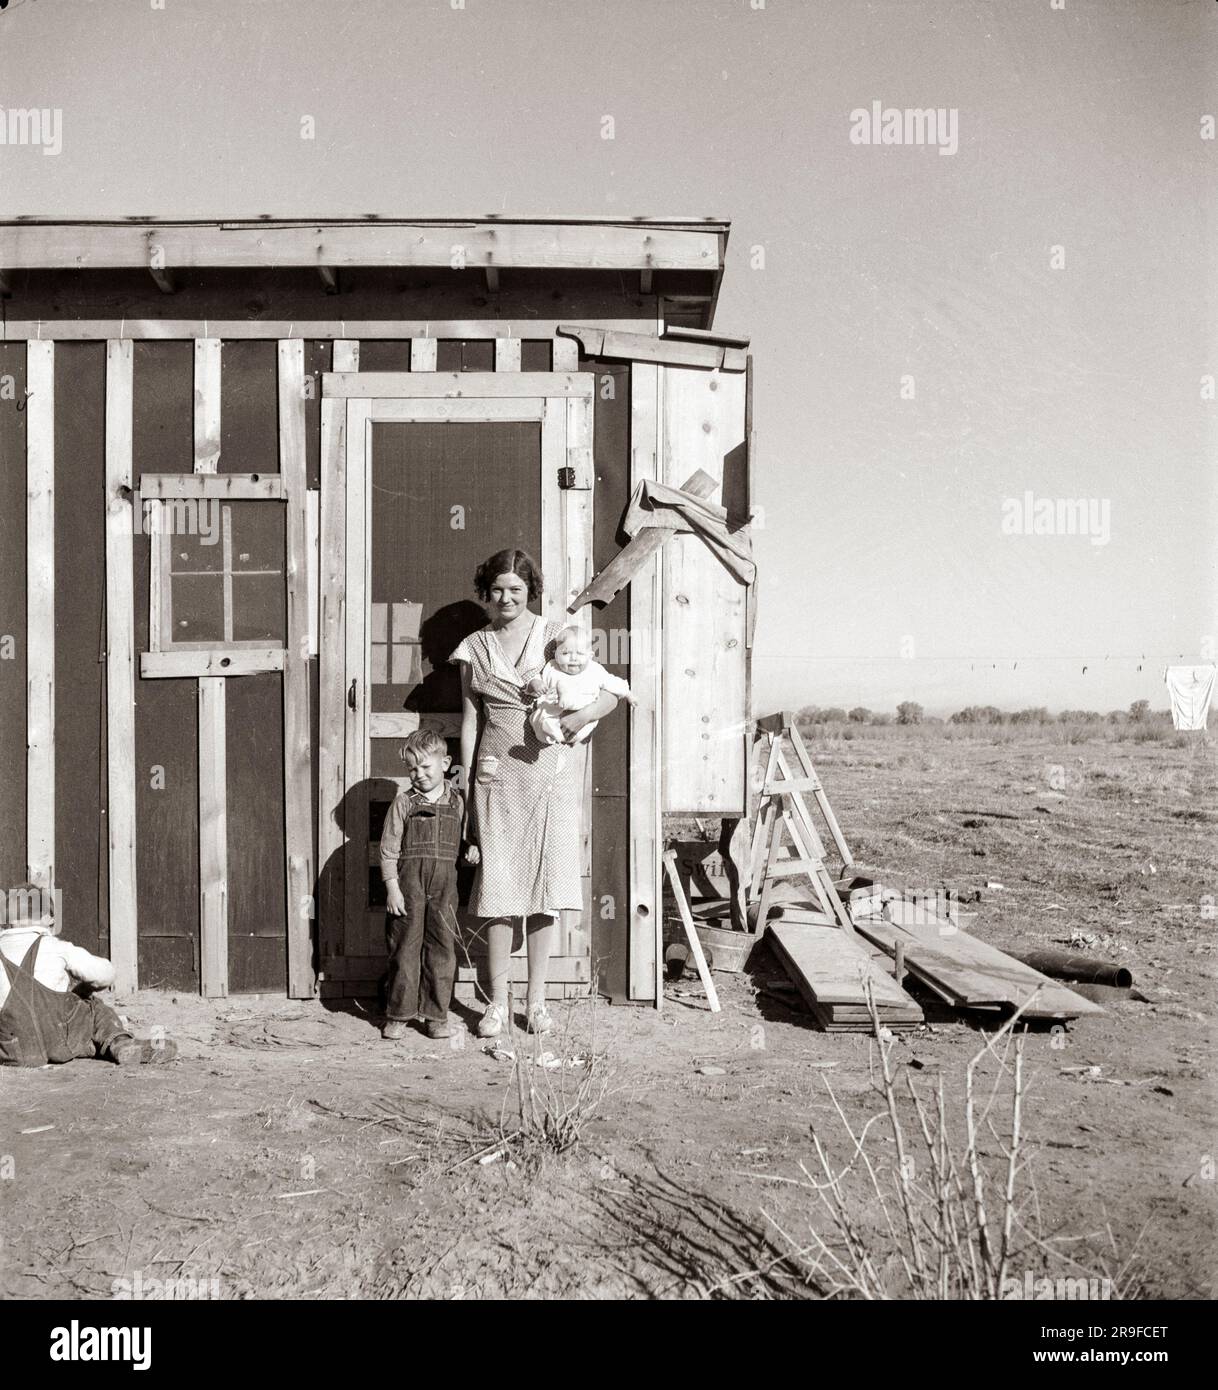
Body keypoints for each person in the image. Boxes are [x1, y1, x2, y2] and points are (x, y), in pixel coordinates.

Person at [451, 548, 620, 1038]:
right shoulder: (473, 647)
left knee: (546, 889)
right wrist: (466, 778)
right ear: (486, 591)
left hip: (550, 771)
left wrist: (580, 717)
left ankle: (538, 1002)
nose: (506, 598)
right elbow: (470, 720)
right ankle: (497, 1004)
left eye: (516, 590)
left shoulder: (555, 637)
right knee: (499, 889)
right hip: (496, 774)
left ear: (531, 592)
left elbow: (606, 692)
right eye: (498, 589)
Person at [0, 885, 177, 1067]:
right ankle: (120, 1042)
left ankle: (104, 1046)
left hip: (14, 1051)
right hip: (59, 1042)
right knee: (93, 1009)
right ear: (48, 919)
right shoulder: (56, 947)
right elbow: (105, 974)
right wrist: (87, 988)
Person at [378, 728, 467, 1041]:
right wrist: (392, 888)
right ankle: (399, 1014)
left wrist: (471, 849)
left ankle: (435, 1015)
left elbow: (465, 840)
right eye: (412, 769)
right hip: (409, 888)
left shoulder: (458, 803)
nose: (418, 774)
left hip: (445, 889)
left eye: (425, 767)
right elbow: (388, 850)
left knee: (442, 950)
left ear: (445, 764)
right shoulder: (403, 803)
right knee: (405, 950)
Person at [525, 624, 635, 747]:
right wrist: (535, 684)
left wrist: (628, 693)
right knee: (537, 718)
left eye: (580, 654)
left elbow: (613, 682)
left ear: (590, 656)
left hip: (581, 713)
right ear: (555, 654)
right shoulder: (552, 667)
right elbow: (538, 680)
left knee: (588, 724)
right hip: (554, 712)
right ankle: (555, 734)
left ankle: (565, 707)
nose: (573, 659)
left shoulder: (594, 670)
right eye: (566, 653)